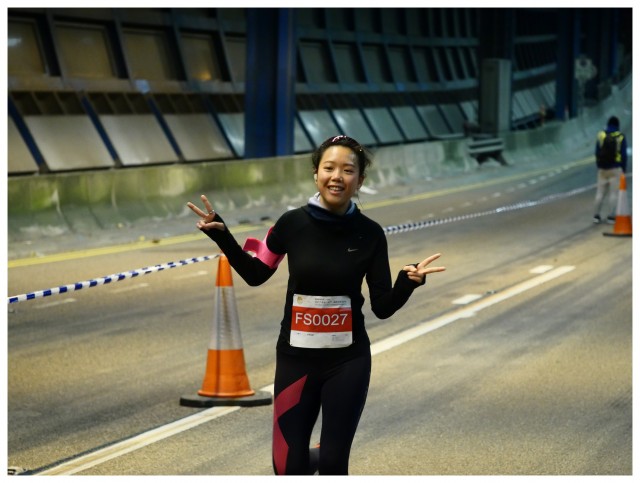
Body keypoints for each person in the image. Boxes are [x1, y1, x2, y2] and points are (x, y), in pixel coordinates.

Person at [187, 134, 445, 475]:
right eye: (329, 168)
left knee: (334, 465)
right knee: (287, 467)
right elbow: (256, 274)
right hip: (296, 360)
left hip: (348, 362)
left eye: (348, 170)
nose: (337, 176)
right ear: (316, 174)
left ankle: (327, 457)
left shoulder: (369, 233)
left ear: (360, 181)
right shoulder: (291, 224)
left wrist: (407, 283)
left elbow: (382, 306)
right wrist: (222, 236)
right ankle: (313, 458)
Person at [593, 116, 628, 224]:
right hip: (615, 169)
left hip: (602, 169)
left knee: (600, 193)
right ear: (617, 125)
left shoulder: (601, 135)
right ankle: (611, 217)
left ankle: (596, 216)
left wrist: (599, 165)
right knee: (613, 194)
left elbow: (597, 152)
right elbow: (624, 155)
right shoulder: (620, 137)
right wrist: (623, 169)